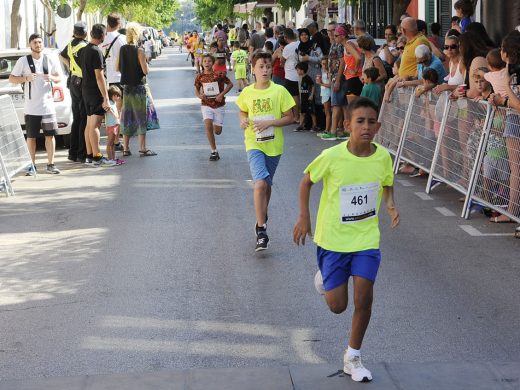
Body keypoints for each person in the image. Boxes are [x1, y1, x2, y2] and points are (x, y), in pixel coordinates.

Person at [293, 97, 399, 384]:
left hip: (366, 239)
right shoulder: (332, 156)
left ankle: (353, 356)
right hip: (333, 241)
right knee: (338, 306)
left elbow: (387, 183)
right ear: (347, 124)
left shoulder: (383, 157)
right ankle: (325, 279)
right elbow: (306, 181)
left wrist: (389, 205)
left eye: (371, 121)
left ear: (378, 126)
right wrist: (304, 217)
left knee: (364, 295)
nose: (366, 126)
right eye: (360, 121)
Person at [236, 50, 295, 251]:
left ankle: (263, 213)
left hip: (274, 145)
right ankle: (261, 230)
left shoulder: (280, 91)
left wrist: (270, 122)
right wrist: (243, 119)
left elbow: (291, 117)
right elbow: (242, 110)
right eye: (261, 66)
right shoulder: (247, 92)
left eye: (268, 66)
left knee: (267, 184)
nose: (265, 70)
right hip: (254, 143)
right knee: (260, 183)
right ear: (253, 69)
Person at [9, 33, 62, 175]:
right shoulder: (23, 61)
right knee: (31, 137)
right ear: (30, 45)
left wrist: (52, 77)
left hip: (48, 106)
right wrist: (25, 78)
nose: (38, 45)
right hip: (31, 107)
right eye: (35, 43)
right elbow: (12, 78)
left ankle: (51, 164)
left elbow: (59, 77)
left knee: (50, 136)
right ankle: (32, 166)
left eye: (40, 42)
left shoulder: (50, 58)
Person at [488, 30, 520, 223]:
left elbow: (517, 104)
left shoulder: (512, 74)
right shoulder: (512, 70)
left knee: (516, 168)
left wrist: (504, 98)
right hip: (512, 119)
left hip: (515, 121)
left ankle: (512, 210)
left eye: (502, 49)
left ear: (507, 52)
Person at [117, 22, 157, 157]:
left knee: (127, 117)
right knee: (141, 117)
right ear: (138, 34)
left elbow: (117, 68)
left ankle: (126, 148)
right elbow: (146, 71)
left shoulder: (122, 49)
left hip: (127, 88)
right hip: (139, 87)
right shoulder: (139, 50)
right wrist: (146, 61)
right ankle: (142, 148)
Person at [79, 24, 115, 167]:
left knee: (89, 125)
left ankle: (89, 155)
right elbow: (99, 76)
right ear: (102, 35)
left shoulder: (84, 50)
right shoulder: (96, 52)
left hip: (86, 91)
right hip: (95, 92)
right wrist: (105, 97)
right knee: (95, 125)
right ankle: (97, 156)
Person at [194, 54, 233, 161]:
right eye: (205, 61)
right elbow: (197, 90)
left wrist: (221, 94)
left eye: (209, 61)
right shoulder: (199, 77)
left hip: (219, 106)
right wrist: (199, 96)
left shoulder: (219, 74)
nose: (207, 63)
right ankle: (214, 151)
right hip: (206, 105)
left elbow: (230, 84)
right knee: (207, 126)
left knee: (217, 131)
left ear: (213, 63)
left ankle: (217, 131)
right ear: (201, 64)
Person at [60, 21, 88, 164]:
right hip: (82, 84)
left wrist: (70, 65)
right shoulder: (85, 46)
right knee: (83, 119)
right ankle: (81, 153)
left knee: (77, 118)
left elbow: (61, 55)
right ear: (85, 33)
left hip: (73, 83)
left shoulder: (70, 44)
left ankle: (72, 152)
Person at [298, 28, 323, 107]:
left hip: (316, 73)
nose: (304, 36)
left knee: (318, 94)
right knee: (306, 96)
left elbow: (321, 59)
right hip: (305, 75)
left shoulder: (314, 46)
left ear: (309, 35)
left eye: (305, 34)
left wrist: (309, 58)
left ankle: (320, 117)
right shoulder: (299, 47)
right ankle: (308, 118)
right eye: (302, 35)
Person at [282, 28, 300, 120]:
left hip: (290, 75)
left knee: (294, 97)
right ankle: (299, 116)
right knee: (299, 96)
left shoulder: (287, 47)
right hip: (300, 74)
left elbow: (282, 60)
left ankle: (295, 116)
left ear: (285, 37)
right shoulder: (299, 43)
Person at [295, 62, 317, 131]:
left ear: (302, 70)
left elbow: (313, 86)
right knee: (302, 112)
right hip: (303, 98)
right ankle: (301, 125)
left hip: (308, 98)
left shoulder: (307, 78)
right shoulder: (301, 78)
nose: (297, 71)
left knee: (312, 113)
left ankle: (314, 126)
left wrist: (311, 95)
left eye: (298, 70)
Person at [105, 85, 124, 164]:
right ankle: (110, 159)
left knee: (112, 144)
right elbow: (108, 110)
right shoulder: (109, 103)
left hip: (115, 125)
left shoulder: (113, 103)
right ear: (111, 95)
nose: (117, 98)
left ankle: (113, 158)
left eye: (118, 96)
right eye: (115, 96)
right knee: (110, 144)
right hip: (111, 126)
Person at [316, 57, 331, 135]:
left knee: (328, 112)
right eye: (322, 63)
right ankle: (328, 128)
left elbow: (330, 85)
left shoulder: (328, 72)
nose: (324, 65)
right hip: (324, 93)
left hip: (328, 93)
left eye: (325, 63)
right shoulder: (322, 72)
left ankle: (327, 129)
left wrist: (320, 83)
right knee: (326, 112)